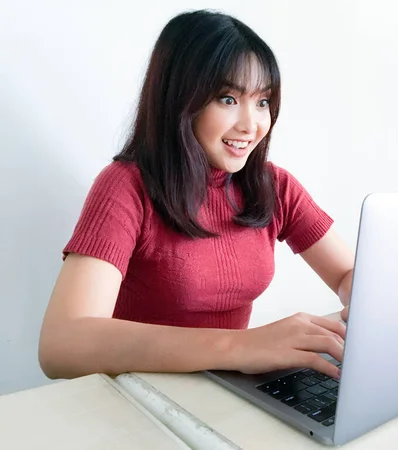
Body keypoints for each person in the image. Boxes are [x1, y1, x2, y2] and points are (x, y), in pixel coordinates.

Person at [38, 9, 354, 381]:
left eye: (263, 101)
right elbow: (62, 344)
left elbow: (347, 273)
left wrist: (368, 304)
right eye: (228, 98)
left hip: (227, 389)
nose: (251, 125)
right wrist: (241, 346)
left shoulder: (274, 185)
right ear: (180, 99)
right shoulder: (125, 186)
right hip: (141, 399)